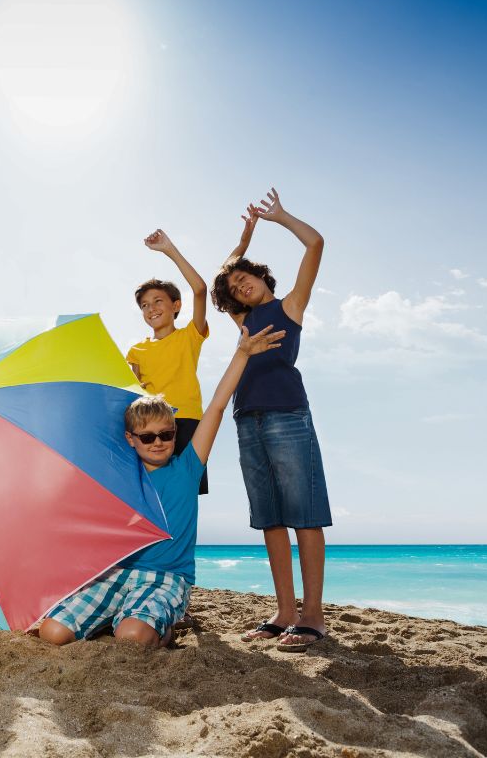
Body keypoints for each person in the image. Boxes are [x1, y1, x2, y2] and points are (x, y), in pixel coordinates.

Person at [39, 323, 285, 648]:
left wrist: (241, 353)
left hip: (166, 578)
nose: (158, 442)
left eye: (166, 434)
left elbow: (216, 407)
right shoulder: (121, 474)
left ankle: (164, 627)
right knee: (53, 633)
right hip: (116, 574)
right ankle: (114, 620)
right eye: (147, 436)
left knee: (131, 638)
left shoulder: (187, 468)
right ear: (131, 439)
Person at [211, 187, 331, 652]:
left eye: (248, 278)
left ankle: (314, 616)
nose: (242, 285)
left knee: (303, 513)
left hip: (287, 416)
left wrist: (278, 217)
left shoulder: (289, 307)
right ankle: (285, 612)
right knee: (270, 520)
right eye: (236, 284)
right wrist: (244, 235)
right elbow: (224, 271)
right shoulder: (241, 321)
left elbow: (315, 244)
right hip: (247, 419)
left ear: (264, 279)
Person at [126, 229, 211, 495]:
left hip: (185, 421)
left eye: (157, 301)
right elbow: (133, 392)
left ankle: (184, 539)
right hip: (151, 428)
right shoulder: (136, 350)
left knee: (185, 494)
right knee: (154, 494)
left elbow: (200, 289)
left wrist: (169, 249)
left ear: (175, 305)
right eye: (144, 305)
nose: (151, 308)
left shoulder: (189, 336)